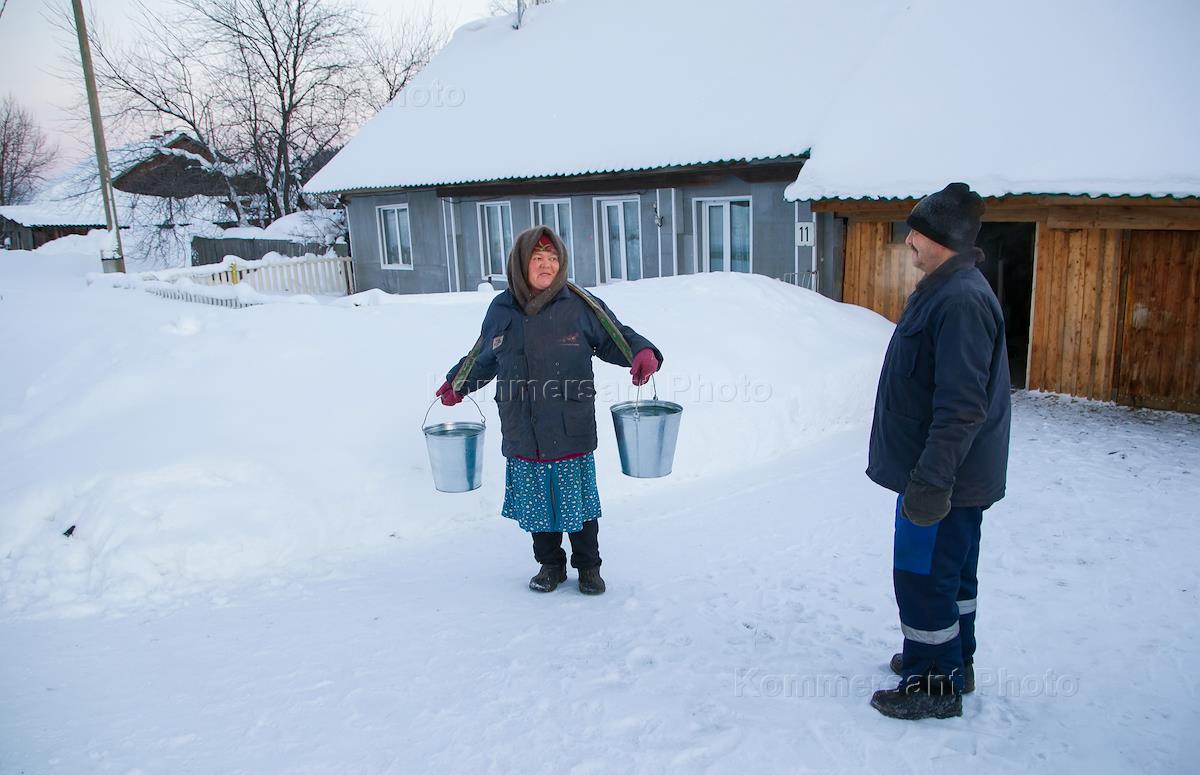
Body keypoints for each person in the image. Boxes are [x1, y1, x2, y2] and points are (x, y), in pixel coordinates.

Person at [436, 225, 662, 595]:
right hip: (523, 426)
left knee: (580, 506)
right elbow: (483, 355)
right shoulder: (502, 308)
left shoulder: (579, 304)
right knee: (537, 504)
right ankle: (550, 566)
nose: (546, 266)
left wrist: (642, 352)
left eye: (553, 259)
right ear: (520, 265)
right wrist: (457, 384)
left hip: (568, 423)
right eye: (537, 259)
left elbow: (615, 336)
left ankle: (589, 568)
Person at [866, 182, 1012, 720]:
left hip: (942, 478)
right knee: (952, 576)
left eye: (917, 232)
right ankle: (952, 662)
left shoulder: (961, 301)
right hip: (947, 475)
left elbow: (961, 406)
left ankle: (933, 686)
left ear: (941, 239)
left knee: (923, 575)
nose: (908, 242)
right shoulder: (946, 289)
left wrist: (930, 482)